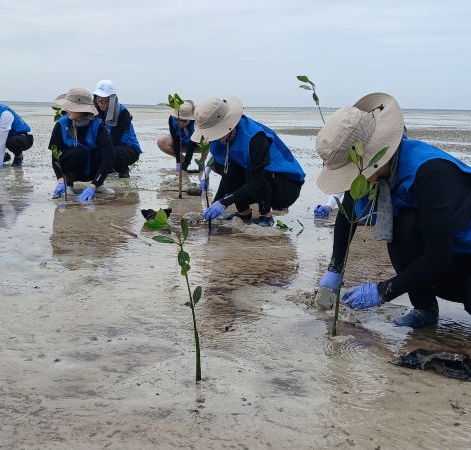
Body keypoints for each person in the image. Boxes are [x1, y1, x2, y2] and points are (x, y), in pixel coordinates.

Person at [316, 92, 471, 328]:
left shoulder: (432, 174)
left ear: (372, 156)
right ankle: (425, 308)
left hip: (456, 256)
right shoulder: (375, 175)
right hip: (443, 254)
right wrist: (335, 269)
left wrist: (383, 291)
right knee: (403, 222)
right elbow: (348, 212)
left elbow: (439, 257)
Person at [194, 97, 306, 227]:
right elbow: (227, 175)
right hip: (256, 182)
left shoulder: (255, 137)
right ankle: (244, 214)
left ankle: (266, 216)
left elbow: (257, 181)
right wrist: (215, 203)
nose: (212, 136)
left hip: (285, 187)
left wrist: (224, 203)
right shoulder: (220, 140)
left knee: (254, 172)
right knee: (231, 170)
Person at [49, 88, 114, 201]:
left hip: (92, 170)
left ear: (82, 110)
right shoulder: (61, 124)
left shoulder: (98, 126)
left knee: (107, 152)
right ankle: (68, 185)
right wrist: (60, 180)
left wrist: (93, 185)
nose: (66, 109)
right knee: (77, 151)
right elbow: (55, 155)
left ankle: (98, 184)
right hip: (72, 168)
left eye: (70, 107)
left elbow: (108, 158)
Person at [93, 80, 141, 178]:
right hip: (107, 144)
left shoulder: (123, 113)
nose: (101, 104)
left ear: (112, 99)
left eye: (104, 101)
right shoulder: (96, 112)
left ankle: (123, 170)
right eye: (98, 100)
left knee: (115, 154)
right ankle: (109, 167)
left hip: (127, 148)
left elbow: (115, 138)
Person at [157, 101, 198, 172]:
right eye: (177, 119)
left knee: (206, 142)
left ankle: (201, 163)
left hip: (195, 144)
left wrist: (185, 167)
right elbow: (176, 140)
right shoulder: (172, 119)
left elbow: (192, 146)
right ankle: (183, 160)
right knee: (161, 141)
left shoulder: (196, 122)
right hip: (181, 142)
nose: (180, 123)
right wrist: (179, 163)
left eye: (184, 121)